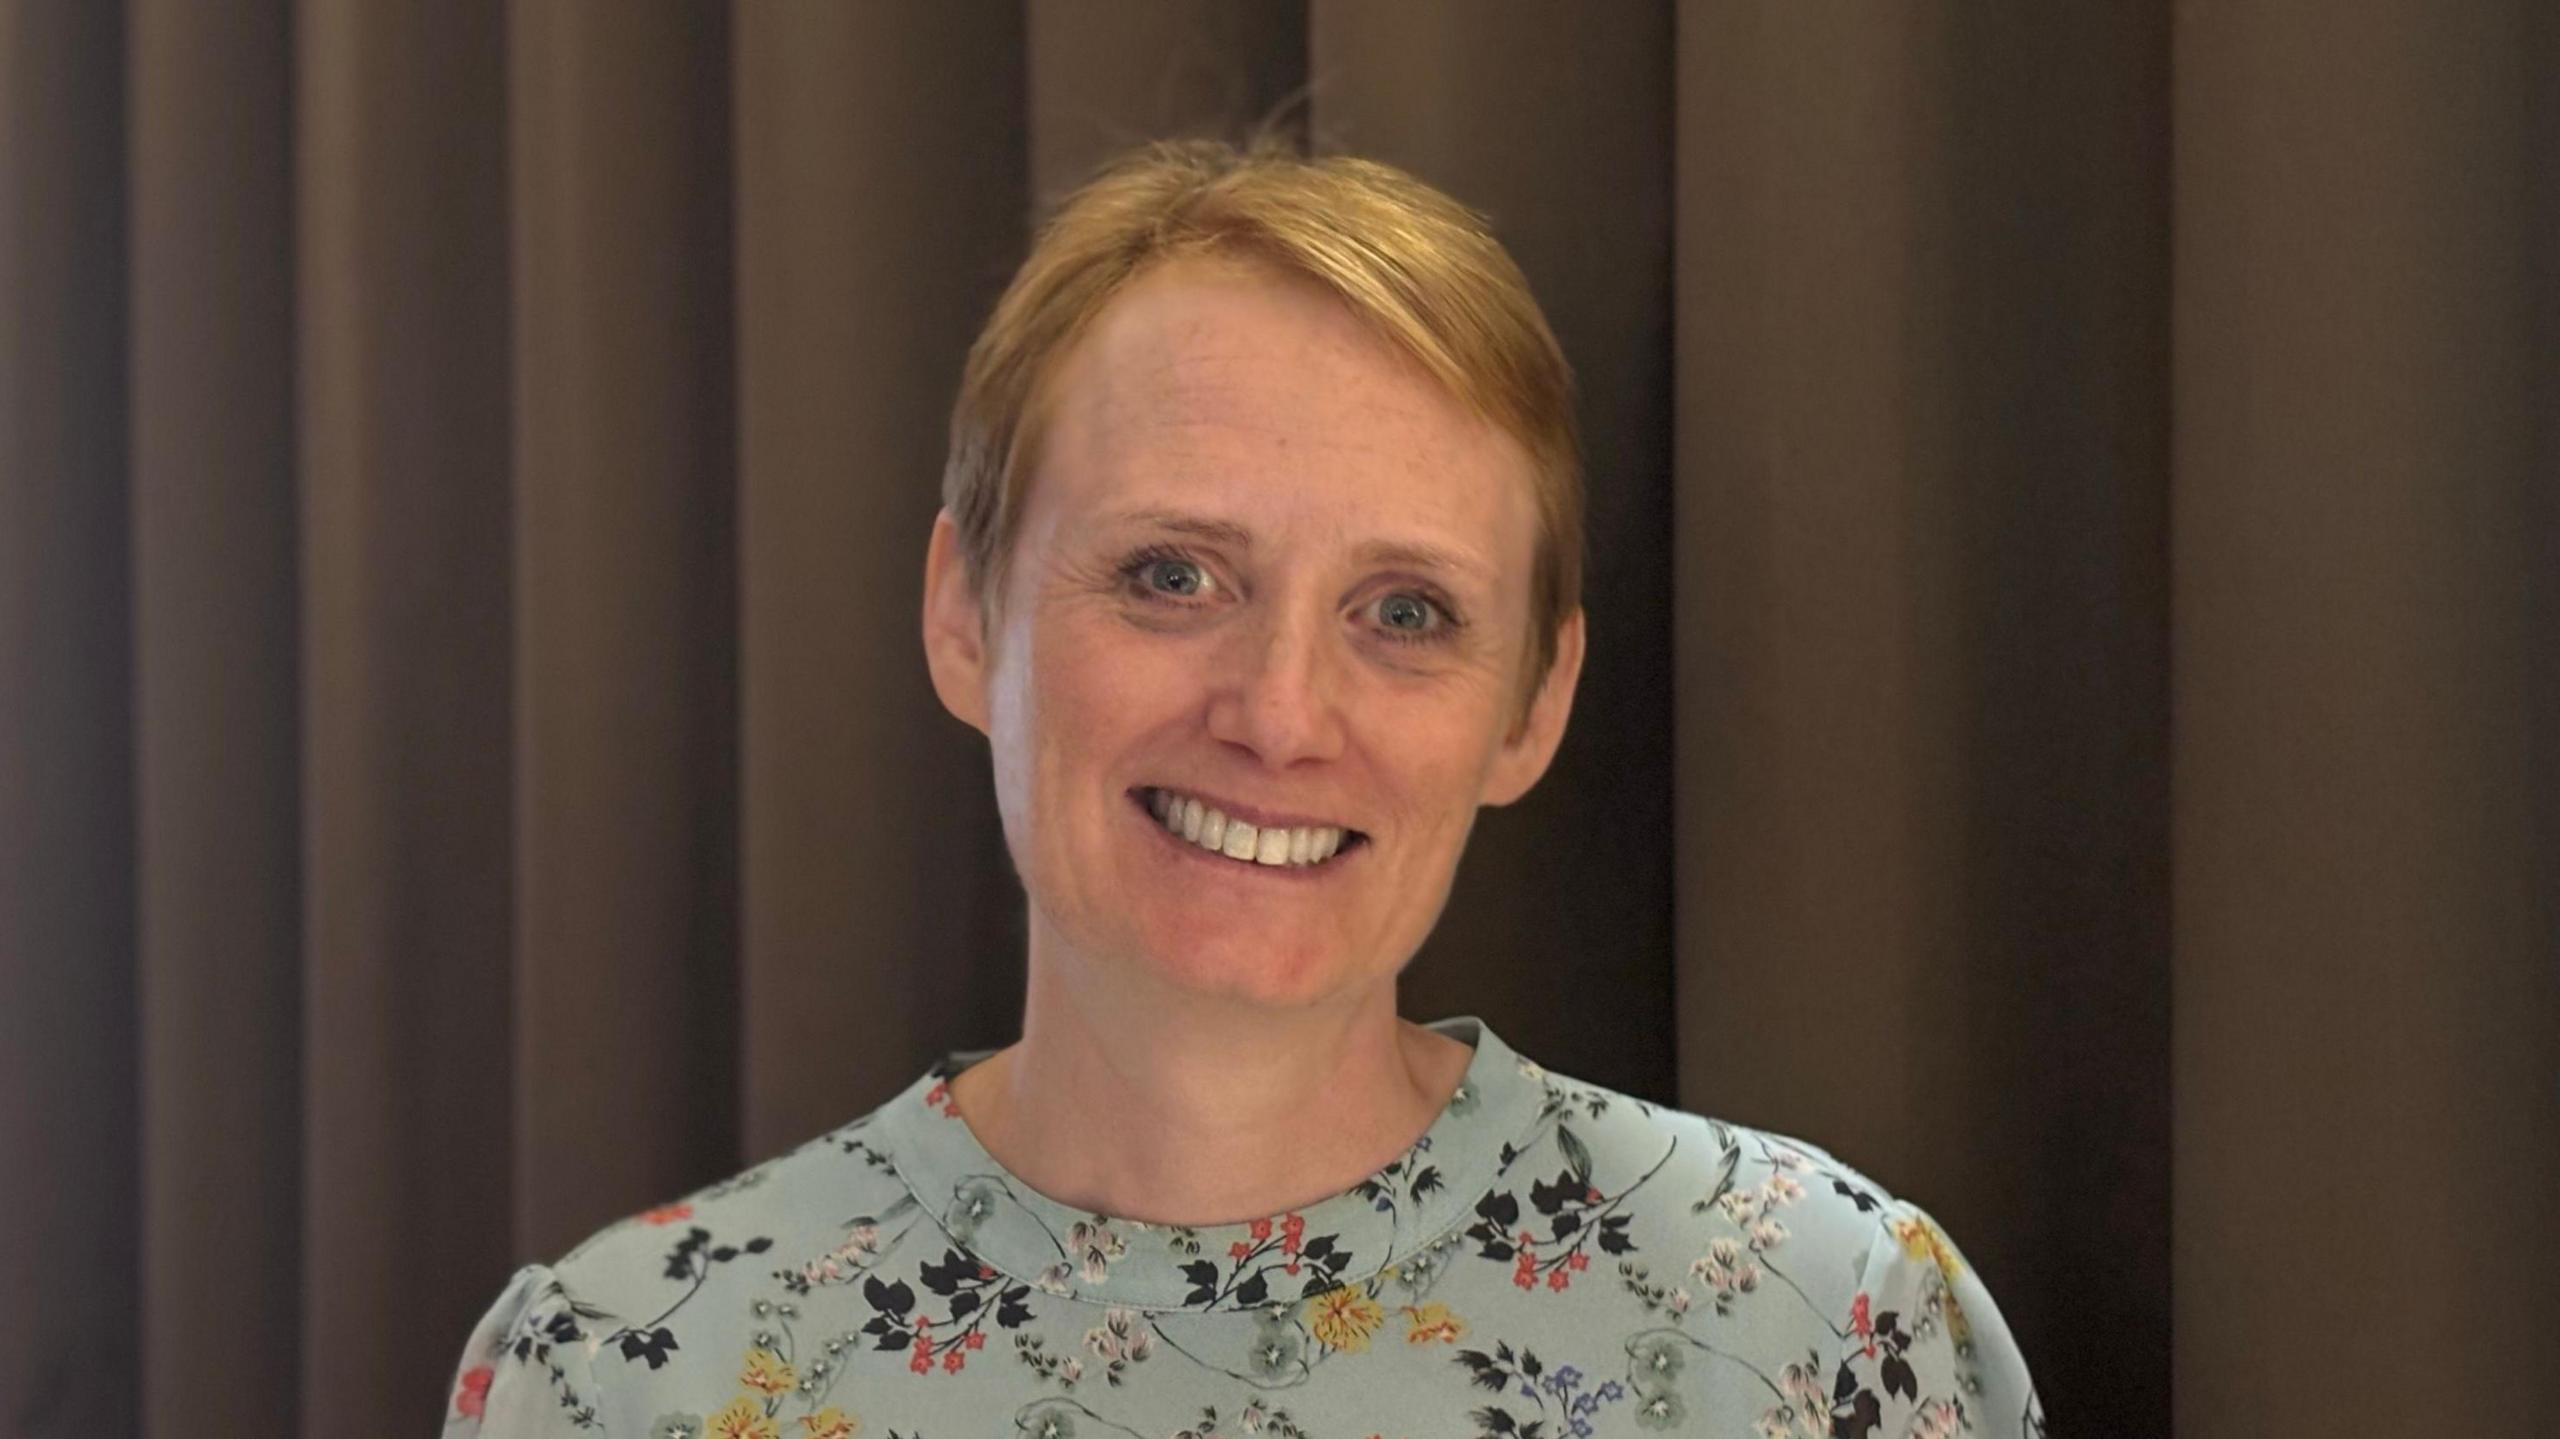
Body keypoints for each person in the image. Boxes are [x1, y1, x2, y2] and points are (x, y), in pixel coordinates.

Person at [442, 140, 2042, 1439]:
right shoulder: (624, 1374)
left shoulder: (1825, 1330)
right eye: (1172, 575)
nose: (1280, 714)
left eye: (1404, 613)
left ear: (1532, 706)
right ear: (964, 610)